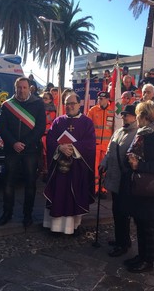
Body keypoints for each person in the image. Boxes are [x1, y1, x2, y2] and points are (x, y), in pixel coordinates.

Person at [125, 100, 154, 273]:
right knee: (140, 223)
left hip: (151, 189)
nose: (136, 118)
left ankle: (148, 261)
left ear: (145, 117)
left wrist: (140, 166)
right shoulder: (141, 134)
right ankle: (141, 256)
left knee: (149, 226)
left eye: (138, 115)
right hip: (138, 186)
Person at [43, 93, 96, 235]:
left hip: (77, 167)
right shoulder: (58, 121)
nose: (70, 106)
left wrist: (72, 148)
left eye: (73, 103)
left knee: (74, 196)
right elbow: (50, 139)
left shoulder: (86, 122)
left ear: (79, 104)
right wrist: (60, 147)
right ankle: (54, 226)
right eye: (67, 103)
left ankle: (72, 227)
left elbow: (90, 144)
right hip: (59, 167)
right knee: (58, 193)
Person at [0, 77, 46, 227]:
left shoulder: (38, 104)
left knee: (30, 184)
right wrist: (13, 143)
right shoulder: (7, 105)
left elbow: (40, 128)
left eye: (24, 87)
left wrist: (24, 143)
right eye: (19, 87)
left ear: (29, 88)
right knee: (8, 183)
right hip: (12, 150)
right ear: (15, 88)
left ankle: (27, 215)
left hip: (30, 150)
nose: (22, 90)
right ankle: (7, 212)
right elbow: (2, 127)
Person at [99, 105, 138, 257]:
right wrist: (104, 163)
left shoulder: (137, 134)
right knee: (116, 211)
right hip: (115, 178)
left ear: (135, 117)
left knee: (123, 212)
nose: (124, 117)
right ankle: (120, 239)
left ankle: (123, 243)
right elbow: (110, 151)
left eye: (127, 115)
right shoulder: (118, 132)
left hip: (126, 181)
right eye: (123, 115)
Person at [87, 91, 114, 198]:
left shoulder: (113, 111)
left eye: (102, 99)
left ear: (108, 100)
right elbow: (87, 127)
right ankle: (95, 189)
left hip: (107, 146)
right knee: (95, 169)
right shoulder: (93, 111)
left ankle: (103, 189)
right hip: (96, 146)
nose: (100, 100)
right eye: (99, 98)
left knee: (105, 169)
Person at [41, 91, 57, 179]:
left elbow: (48, 120)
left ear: (50, 100)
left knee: (46, 154)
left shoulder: (52, 110)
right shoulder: (40, 108)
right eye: (43, 98)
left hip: (47, 135)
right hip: (40, 134)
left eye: (46, 98)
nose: (44, 100)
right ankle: (43, 171)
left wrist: (44, 113)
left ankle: (47, 172)